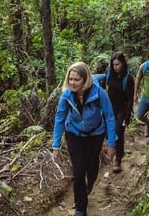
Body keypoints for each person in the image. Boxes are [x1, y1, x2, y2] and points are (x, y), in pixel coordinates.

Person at [52, 62, 117, 216]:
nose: (73, 83)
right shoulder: (66, 96)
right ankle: (81, 209)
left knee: (92, 167)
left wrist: (111, 142)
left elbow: (109, 117)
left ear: (85, 79)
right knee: (78, 170)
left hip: (95, 135)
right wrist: (56, 146)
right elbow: (59, 119)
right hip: (74, 134)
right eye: (71, 79)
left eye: (77, 80)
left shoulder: (99, 93)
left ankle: (88, 187)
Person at [97, 52, 134, 173]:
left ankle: (118, 159)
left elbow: (130, 99)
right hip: (109, 108)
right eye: (113, 64)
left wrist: (127, 117)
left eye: (117, 64)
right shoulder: (108, 75)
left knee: (118, 132)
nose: (115, 67)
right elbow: (101, 90)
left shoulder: (128, 78)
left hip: (121, 109)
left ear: (123, 64)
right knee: (108, 132)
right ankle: (110, 152)